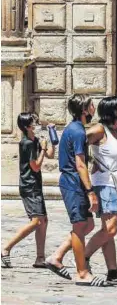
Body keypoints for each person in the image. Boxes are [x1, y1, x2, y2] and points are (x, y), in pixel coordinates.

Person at [45, 94, 109, 287]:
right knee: (80, 227)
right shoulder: (79, 132)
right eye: (91, 105)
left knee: (87, 225)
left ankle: (56, 256)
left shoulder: (72, 128)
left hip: (72, 181)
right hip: (73, 182)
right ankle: (82, 273)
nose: (93, 108)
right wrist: (90, 191)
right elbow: (80, 164)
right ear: (84, 110)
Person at [82, 96, 117, 285]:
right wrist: (88, 164)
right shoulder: (98, 130)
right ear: (113, 110)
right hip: (104, 184)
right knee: (111, 229)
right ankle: (83, 258)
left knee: (108, 230)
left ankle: (113, 271)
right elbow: (77, 144)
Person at [1, 113, 55, 269]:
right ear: (26, 126)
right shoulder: (26, 143)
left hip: (35, 185)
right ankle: (6, 248)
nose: (36, 124)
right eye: (33, 122)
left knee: (43, 221)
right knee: (36, 221)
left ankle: (40, 258)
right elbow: (36, 166)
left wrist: (51, 140)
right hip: (29, 186)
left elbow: (50, 155)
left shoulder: (35, 140)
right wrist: (43, 150)